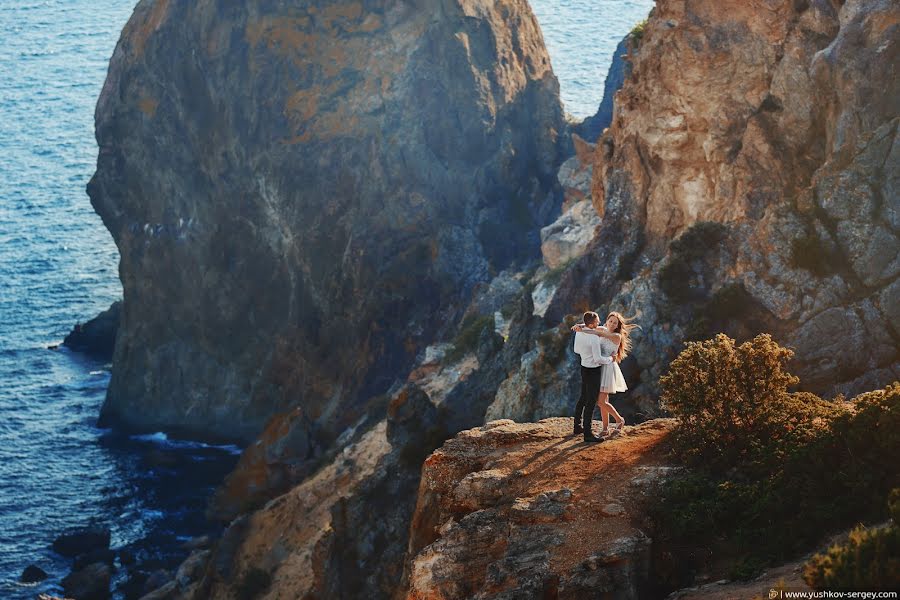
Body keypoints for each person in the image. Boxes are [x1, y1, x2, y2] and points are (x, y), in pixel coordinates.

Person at [572, 311, 638, 436]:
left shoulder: (616, 336)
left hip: (608, 367)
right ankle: (605, 428)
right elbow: (590, 326)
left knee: (601, 401)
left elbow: (596, 332)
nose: (612, 324)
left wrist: (582, 329)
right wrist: (579, 326)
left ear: (618, 325)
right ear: (607, 321)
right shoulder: (602, 328)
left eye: (615, 323)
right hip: (599, 367)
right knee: (603, 400)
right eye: (611, 321)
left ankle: (619, 420)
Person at [572, 311, 614, 442]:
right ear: (591, 324)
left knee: (583, 397)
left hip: (584, 367)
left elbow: (576, 350)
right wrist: (610, 359)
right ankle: (588, 434)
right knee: (590, 402)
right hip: (593, 371)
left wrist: (586, 355)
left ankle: (577, 426)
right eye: (597, 321)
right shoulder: (594, 338)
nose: (599, 322)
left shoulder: (580, 331)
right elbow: (598, 359)